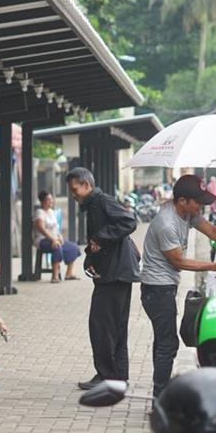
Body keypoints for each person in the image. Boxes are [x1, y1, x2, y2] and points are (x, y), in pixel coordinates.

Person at [140, 174, 216, 397]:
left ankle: (161, 392)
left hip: (165, 286)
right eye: (197, 201)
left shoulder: (187, 213)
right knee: (168, 344)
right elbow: (178, 261)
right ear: (183, 200)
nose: (200, 206)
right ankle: (160, 398)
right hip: (156, 290)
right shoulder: (166, 223)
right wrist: (214, 266)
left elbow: (212, 231)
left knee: (163, 341)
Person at [66, 167, 141, 390]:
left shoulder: (102, 201)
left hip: (116, 274)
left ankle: (108, 376)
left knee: (101, 325)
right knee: (115, 326)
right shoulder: (93, 205)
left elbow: (129, 221)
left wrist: (100, 237)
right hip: (113, 272)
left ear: (86, 185)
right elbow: (100, 241)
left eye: (74, 189)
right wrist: (90, 259)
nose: (73, 194)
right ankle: (117, 376)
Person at [33, 191, 81, 282]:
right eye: (48, 199)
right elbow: (41, 229)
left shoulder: (51, 212)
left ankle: (69, 273)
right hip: (43, 239)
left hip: (55, 238)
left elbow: (55, 228)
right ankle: (55, 276)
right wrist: (53, 240)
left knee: (73, 247)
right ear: (42, 201)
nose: (51, 201)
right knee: (57, 247)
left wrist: (59, 237)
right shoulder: (39, 212)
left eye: (51, 199)